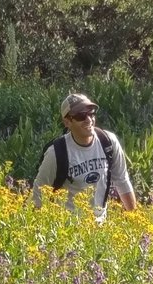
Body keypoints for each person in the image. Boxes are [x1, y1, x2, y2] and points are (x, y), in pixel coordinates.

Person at [31, 93, 137, 221]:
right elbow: (38, 196)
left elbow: (122, 181)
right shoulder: (56, 153)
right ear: (67, 122)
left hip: (99, 231)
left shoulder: (108, 142)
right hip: (66, 231)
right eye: (81, 116)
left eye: (91, 113)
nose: (89, 119)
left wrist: (135, 222)